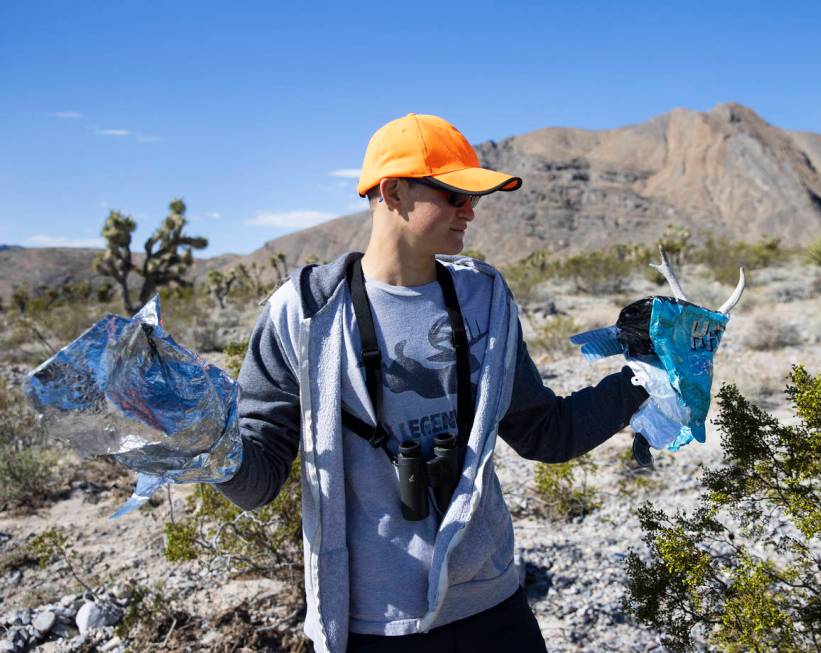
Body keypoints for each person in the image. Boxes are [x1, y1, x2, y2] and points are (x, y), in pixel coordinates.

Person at [216, 113, 649, 652]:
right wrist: (199, 442)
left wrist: (647, 377)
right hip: (370, 623)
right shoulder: (302, 315)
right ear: (393, 192)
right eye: (452, 194)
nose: (470, 210)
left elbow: (543, 432)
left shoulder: (483, 300)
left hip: (489, 605)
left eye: (473, 198)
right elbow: (257, 482)